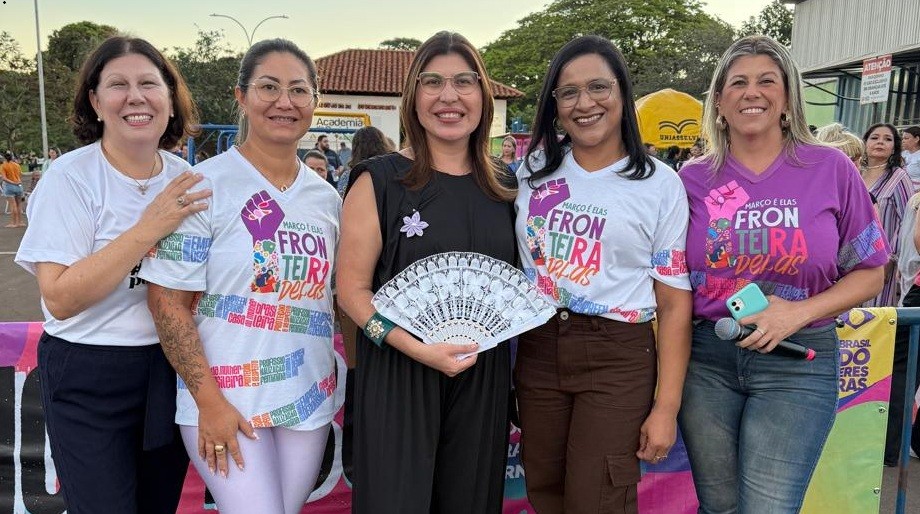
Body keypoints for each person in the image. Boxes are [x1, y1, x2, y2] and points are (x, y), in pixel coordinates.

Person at [678, 35, 886, 513]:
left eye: (766, 81)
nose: (752, 92)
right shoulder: (691, 178)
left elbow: (871, 272)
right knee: (718, 506)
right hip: (707, 360)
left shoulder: (830, 167)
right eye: (738, 83)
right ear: (719, 102)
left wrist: (796, 313)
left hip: (798, 359)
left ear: (789, 96)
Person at [141, 39, 341, 514]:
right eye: (268, 87)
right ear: (242, 96)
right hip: (224, 401)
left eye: (298, 90)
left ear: (314, 101)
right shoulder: (202, 186)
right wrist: (209, 403)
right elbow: (166, 303)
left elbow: (324, 295)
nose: (284, 102)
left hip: (306, 399)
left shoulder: (327, 199)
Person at [14, 35, 207, 514]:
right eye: (118, 85)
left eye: (149, 84)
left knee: (157, 505)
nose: (135, 97)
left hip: (167, 368)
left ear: (170, 100)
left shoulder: (187, 180)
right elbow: (60, 298)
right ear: (96, 103)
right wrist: (149, 228)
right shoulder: (70, 179)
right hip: (88, 371)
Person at [337, 31, 515, 514]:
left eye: (464, 81)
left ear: (483, 96)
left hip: (482, 377)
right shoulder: (378, 180)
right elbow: (351, 292)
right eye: (432, 82)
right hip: (399, 371)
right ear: (413, 98)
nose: (448, 96)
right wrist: (417, 349)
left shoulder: (506, 186)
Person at [513, 35, 691, 514]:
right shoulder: (530, 174)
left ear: (622, 93)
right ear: (554, 105)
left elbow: (674, 303)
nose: (584, 103)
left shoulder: (659, 184)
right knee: (545, 487)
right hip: (538, 345)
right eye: (568, 92)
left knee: (599, 498)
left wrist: (666, 407)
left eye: (598, 87)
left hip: (618, 355)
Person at [859, 122, 913, 308]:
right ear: (865, 143)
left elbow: (907, 222)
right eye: (874, 138)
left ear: (894, 148)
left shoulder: (899, 177)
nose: (880, 142)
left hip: (882, 260)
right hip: (851, 259)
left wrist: (890, 260)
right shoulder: (855, 174)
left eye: (887, 139)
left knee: (874, 315)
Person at [338, 125, 393, 198]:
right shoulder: (392, 173)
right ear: (383, 144)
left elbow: (342, 199)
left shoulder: (349, 176)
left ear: (355, 149)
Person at [1, 152, 25, 227]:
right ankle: (20, 222)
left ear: (4, 158)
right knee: (19, 205)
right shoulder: (17, 165)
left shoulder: (3, 166)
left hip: (9, 186)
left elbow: (4, 178)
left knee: (12, 205)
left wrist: (13, 182)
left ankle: (13, 223)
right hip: (19, 186)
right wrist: (17, 182)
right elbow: (20, 175)